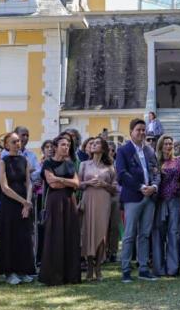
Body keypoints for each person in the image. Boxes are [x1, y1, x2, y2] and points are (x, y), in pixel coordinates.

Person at [115, 118, 160, 283]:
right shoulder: (123, 151)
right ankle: (126, 270)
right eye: (138, 130)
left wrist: (154, 186)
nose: (141, 132)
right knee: (129, 235)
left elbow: (156, 171)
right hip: (133, 197)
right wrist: (140, 186)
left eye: (143, 130)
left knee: (145, 234)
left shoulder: (149, 151)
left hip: (150, 197)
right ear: (131, 132)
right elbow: (122, 174)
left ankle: (143, 269)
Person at [0, 132, 36, 284]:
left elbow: (29, 183)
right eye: (13, 141)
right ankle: (9, 272)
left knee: (23, 237)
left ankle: (23, 270)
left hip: (24, 202)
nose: (17, 144)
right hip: (9, 203)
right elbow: (4, 187)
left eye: (18, 141)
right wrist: (23, 202)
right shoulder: (2, 161)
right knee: (9, 236)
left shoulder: (24, 160)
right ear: (6, 145)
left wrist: (28, 202)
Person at [39, 134, 81, 286]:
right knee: (55, 235)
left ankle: (70, 275)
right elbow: (52, 183)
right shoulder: (48, 163)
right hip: (55, 201)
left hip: (70, 201)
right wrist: (67, 182)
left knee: (70, 234)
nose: (66, 147)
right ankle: (54, 275)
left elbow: (77, 183)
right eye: (63, 145)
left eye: (68, 145)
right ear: (55, 147)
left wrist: (61, 179)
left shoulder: (70, 163)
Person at [80, 137, 116, 281]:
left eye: (97, 143)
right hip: (88, 199)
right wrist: (88, 182)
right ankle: (89, 267)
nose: (93, 145)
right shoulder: (84, 164)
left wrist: (104, 184)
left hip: (104, 200)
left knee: (101, 233)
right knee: (88, 232)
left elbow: (115, 188)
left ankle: (99, 268)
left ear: (103, 147)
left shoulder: (110, 167)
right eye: (92, 143)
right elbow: (78, 184)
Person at [151, 135, 180, 277]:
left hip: (175, 201)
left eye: (170, 143)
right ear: (160, 146)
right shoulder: (155, 162)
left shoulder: (178, 162)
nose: (168, 146)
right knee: (158, 234)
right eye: (165, 144)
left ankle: (173, 268)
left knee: (174, 233)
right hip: (159, 201)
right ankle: (159, 268)